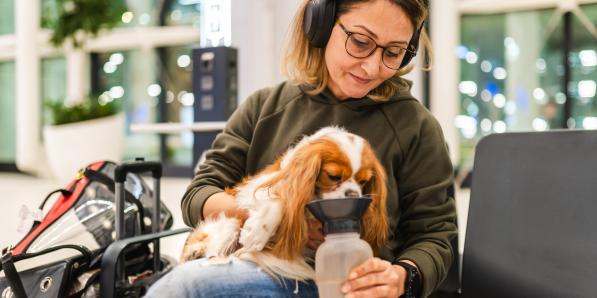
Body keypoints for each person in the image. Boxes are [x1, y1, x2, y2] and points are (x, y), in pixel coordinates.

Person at [145, 0, 457, 297]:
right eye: (361, 42)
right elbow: (199, 195)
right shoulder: (265, 107)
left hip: (338, 284)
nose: (373, 67)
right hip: (254, 262)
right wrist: (280, 217)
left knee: (187, 289)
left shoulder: (415, 126)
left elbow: (435, 236)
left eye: (393, 52)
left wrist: (401, 277)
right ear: (319, 24)